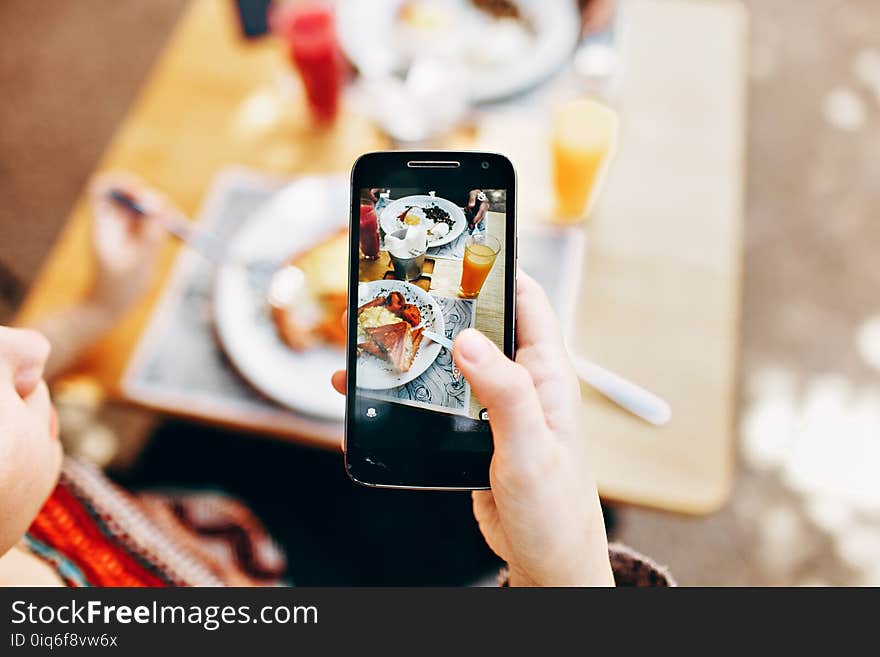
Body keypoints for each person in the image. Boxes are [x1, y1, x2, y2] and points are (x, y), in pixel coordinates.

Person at [0, 173, 671, 587]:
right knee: (583, 508)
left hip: (175, 496)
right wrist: (567, 574)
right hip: (293, 564)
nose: (26, 345)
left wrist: (94, 310)